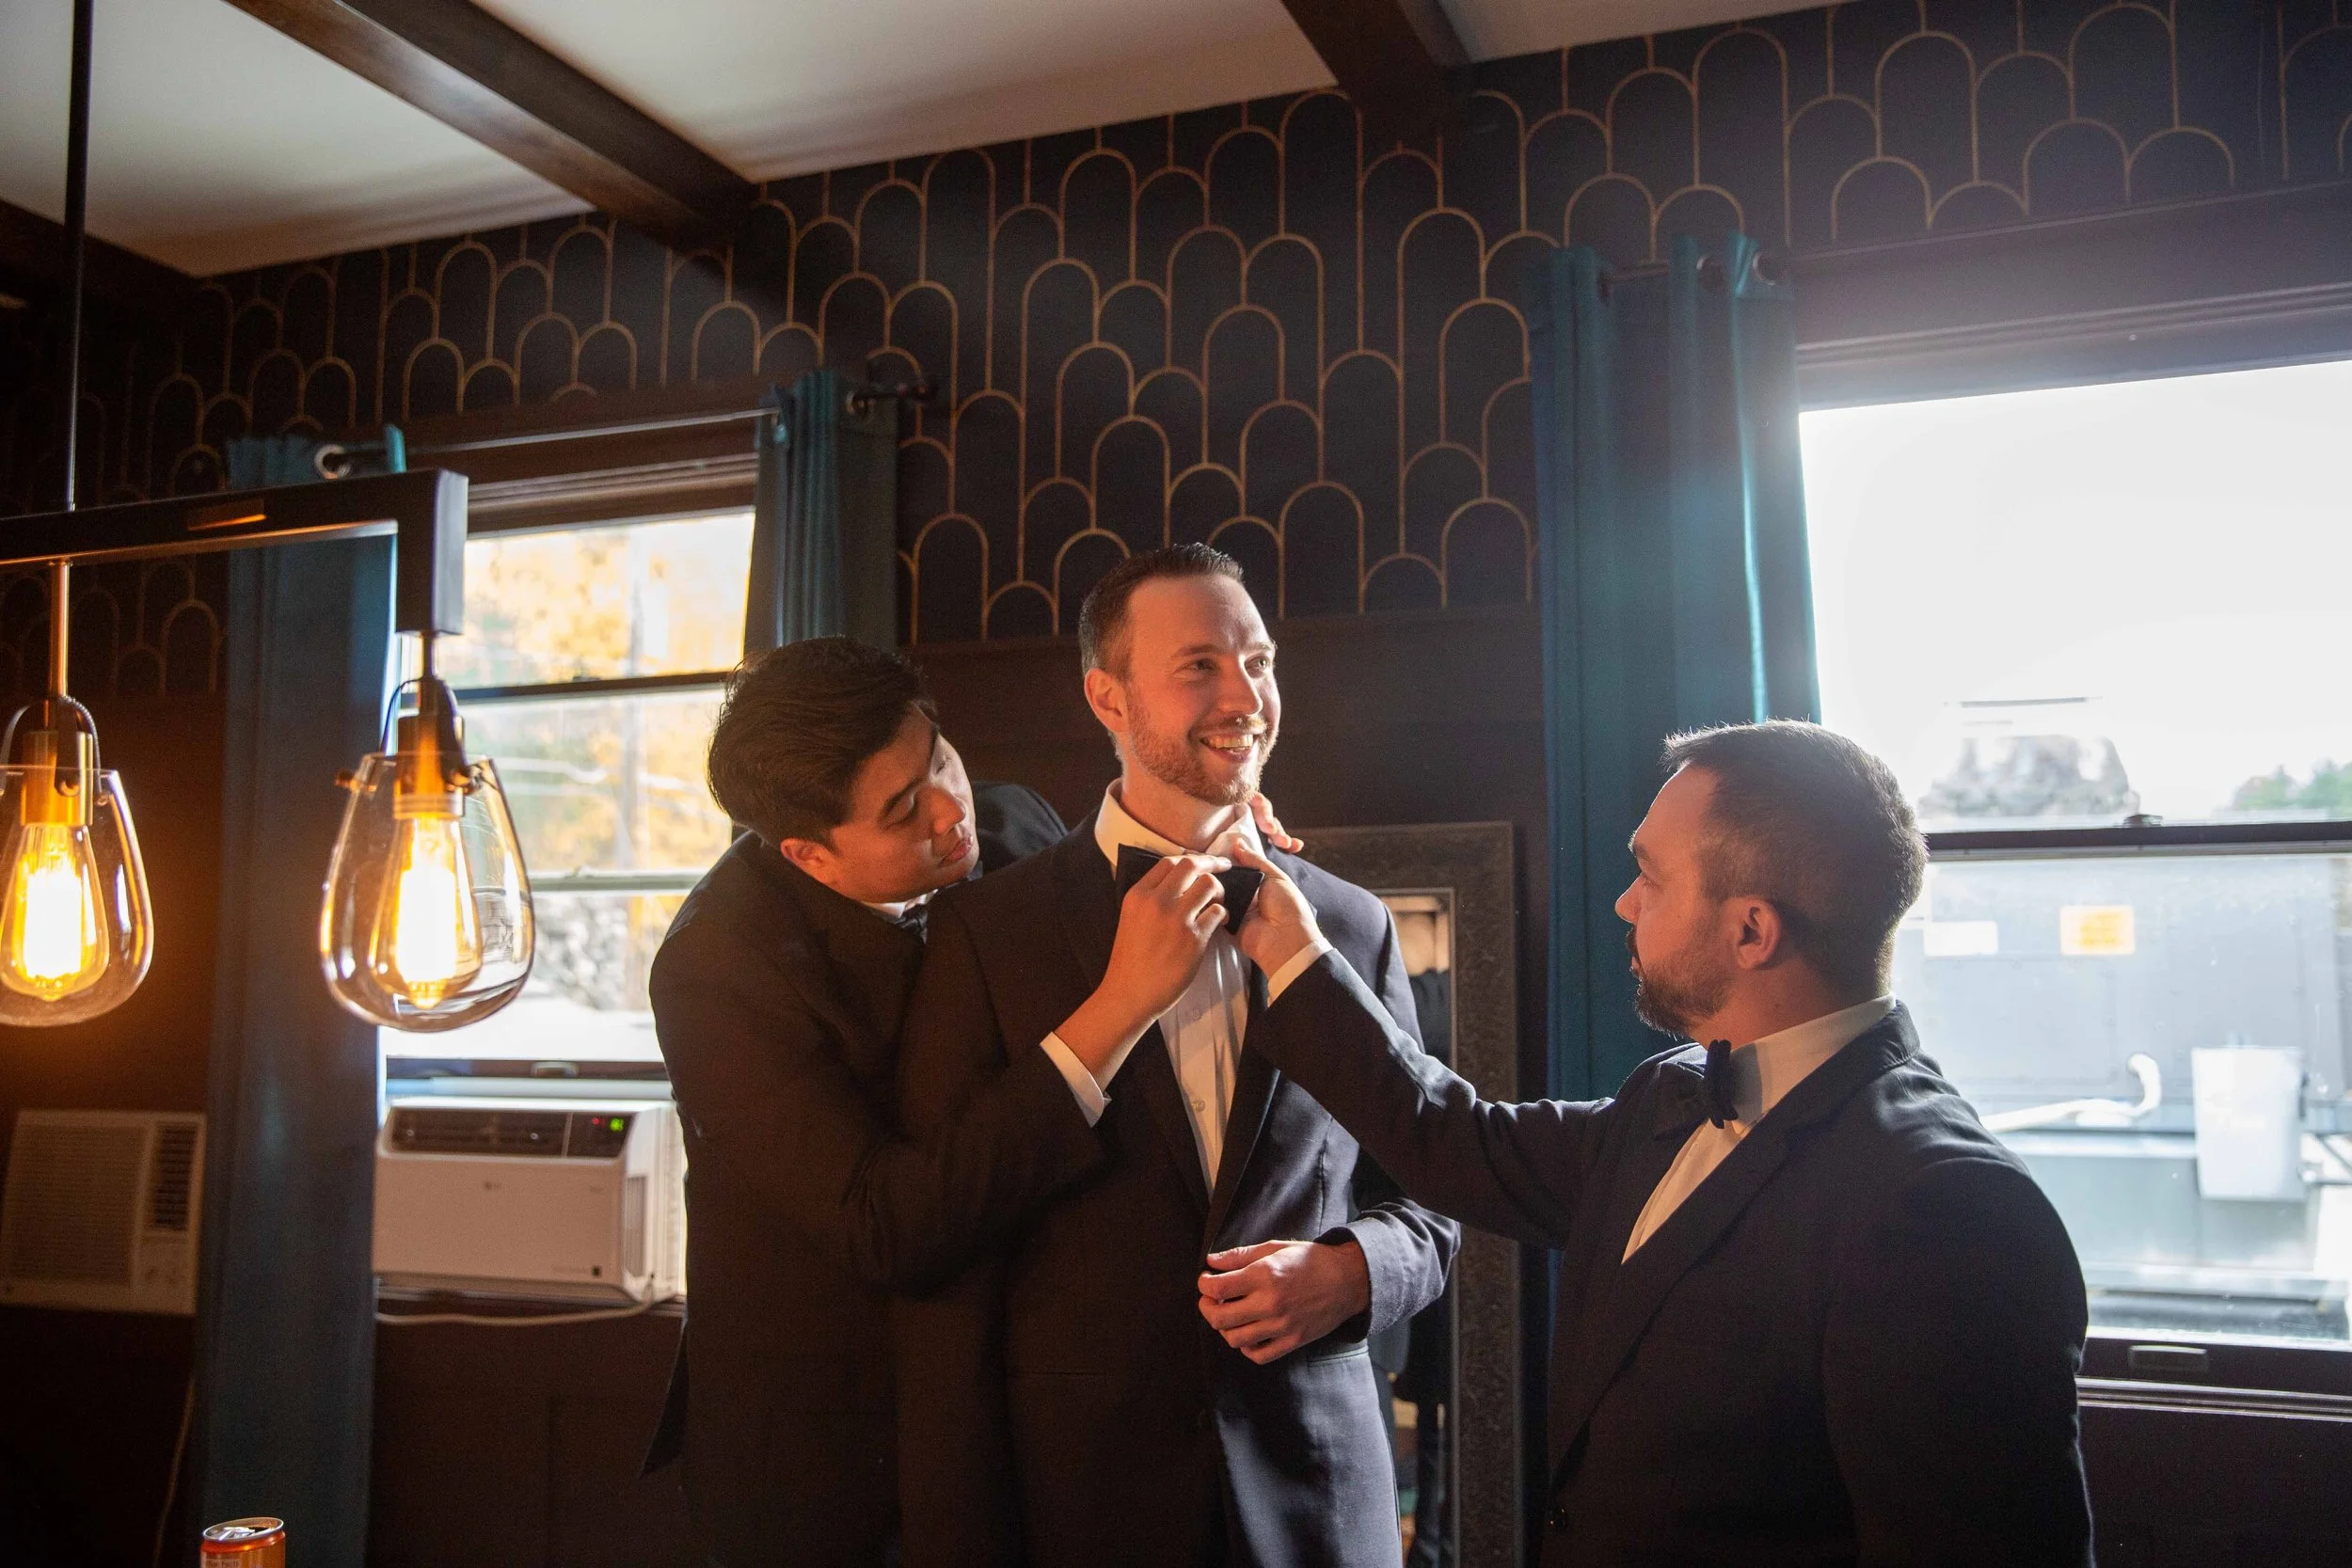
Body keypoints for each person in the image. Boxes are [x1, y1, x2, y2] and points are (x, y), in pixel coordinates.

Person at [1228, 721, 2095, 1566]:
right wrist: (1299, 950)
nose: (1623, 902)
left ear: (1752, 930)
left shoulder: (1948, 1210)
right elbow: (1453, 1138)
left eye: (1650, 878)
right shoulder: (1669, 1093)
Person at [644, 636, 1296, 1567]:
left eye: (939, 757)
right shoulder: (717, 969)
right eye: (904, 807)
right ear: (809, 855)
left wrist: (1221, 825)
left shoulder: (1010, 822)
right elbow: (885, 1221)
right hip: (829, 1443)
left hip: (1019, 1403)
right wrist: (1114, 1008)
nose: (955, 813)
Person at [893, 545, 1458, 1568]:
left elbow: (1432, 1198)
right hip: (1081, 1505)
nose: (1245, 695)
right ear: (1106, 696)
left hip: (1319, 1500)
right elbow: (943, 1221)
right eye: (1199, 664)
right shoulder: (987, 933)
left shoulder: (1355, 924)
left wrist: (1348, 1272)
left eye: (1260, 660)